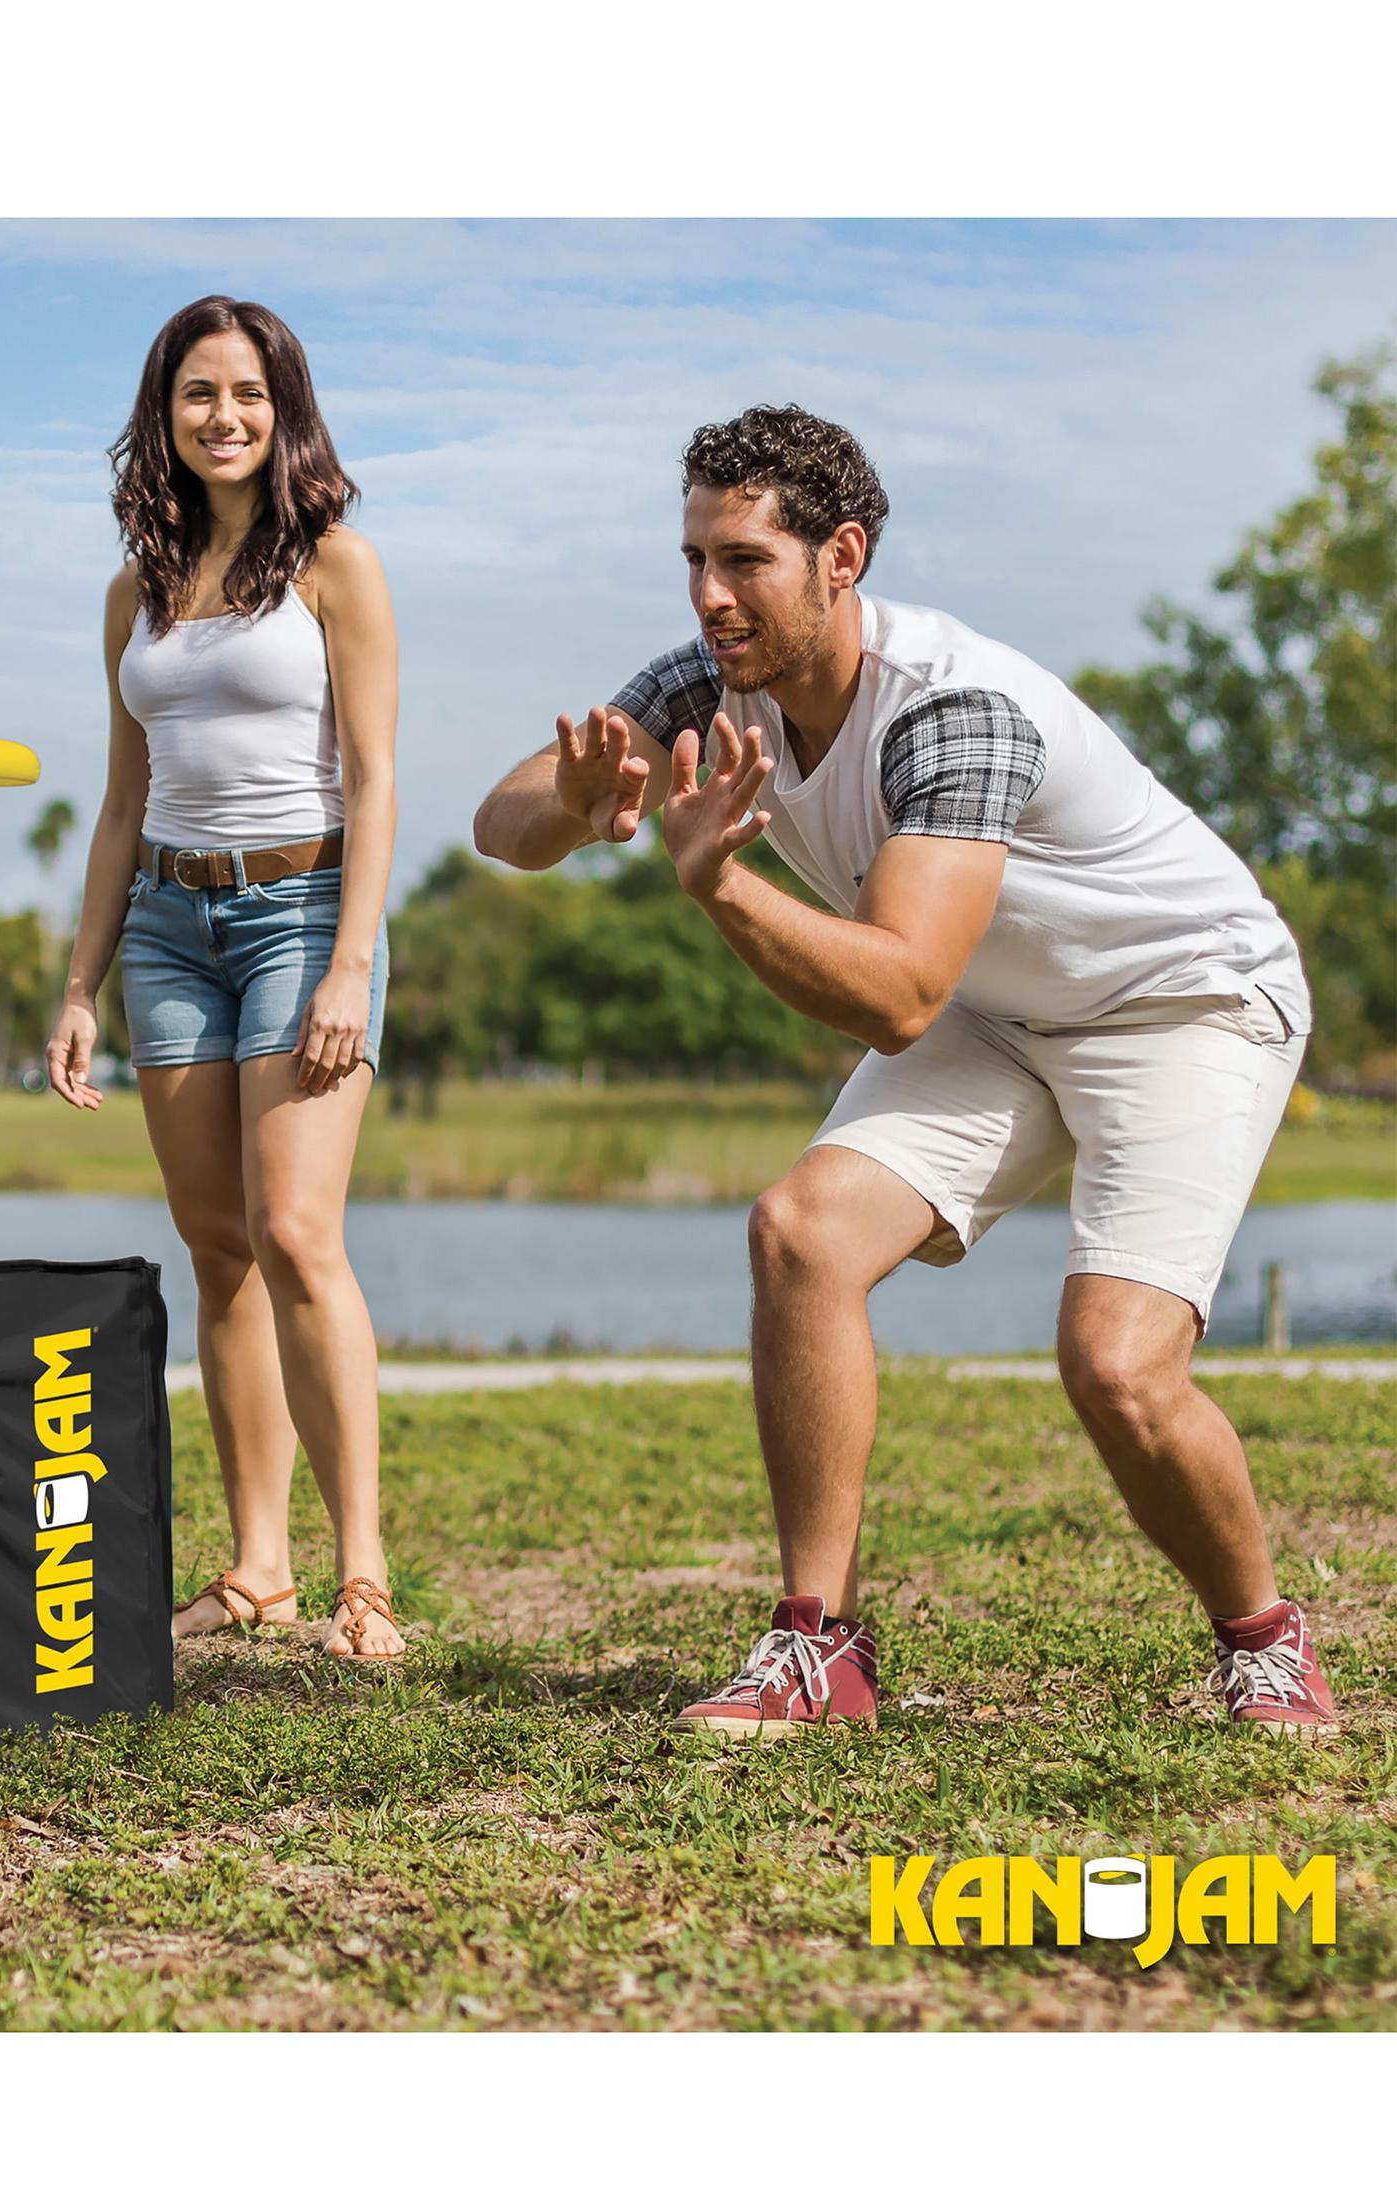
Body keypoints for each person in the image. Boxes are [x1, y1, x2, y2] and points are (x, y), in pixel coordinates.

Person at [473, 403, 1337, 1736]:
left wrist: (721, 885)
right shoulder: (713, 680)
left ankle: (1266, 1641)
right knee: (801, 1233)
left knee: (1117, 1368)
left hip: (1184, 1005)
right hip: (1002, 1008)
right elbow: (502, 824)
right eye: (695, 558)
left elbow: (897, 997)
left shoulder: (952, 712)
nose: (710, 594)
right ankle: (818, 1646)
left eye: (745, 560)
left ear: (842, 556)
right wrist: (580, 803)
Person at [47, 294, 404, 1661]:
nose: (225, 416)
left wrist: (351, 965)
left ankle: (362, 1576)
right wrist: (80, 985)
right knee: (218, 1245)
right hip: (166, 928)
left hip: (303, 915)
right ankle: (260, 1568)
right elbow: (120, 804)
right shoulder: (133, 593)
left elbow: (375, 781)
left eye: (248, 392)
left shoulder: (336, 567)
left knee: (299, 1233)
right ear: (165, 413)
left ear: (285, 410)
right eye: (199, 392)